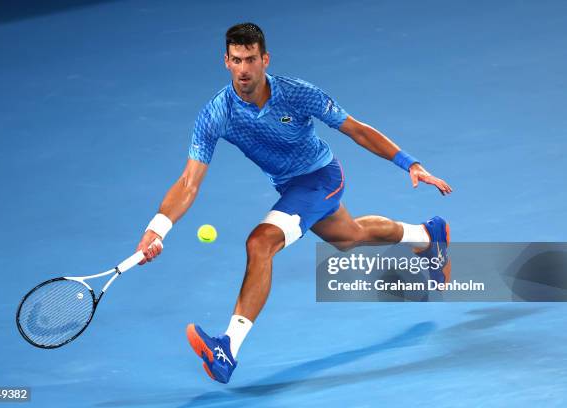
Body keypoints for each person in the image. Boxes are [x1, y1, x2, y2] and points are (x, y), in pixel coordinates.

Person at [135, 23, 453, 384]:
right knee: (349, 237)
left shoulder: (297, 93)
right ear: (225, 61)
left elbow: (356, 129)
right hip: (290, 186)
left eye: (251, 59)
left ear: (264, 60)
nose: (243, 69)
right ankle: (428, 235)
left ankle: (227, 349)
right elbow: (189, 183)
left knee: (260, 243)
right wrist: (156, 228)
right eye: (236, 60)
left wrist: (408, 162)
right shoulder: (216, 114)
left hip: (321, 178)